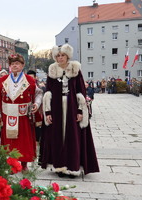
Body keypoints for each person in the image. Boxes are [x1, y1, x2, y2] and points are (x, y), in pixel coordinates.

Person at [39, 44, 99, 178]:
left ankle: (73, 166)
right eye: (58, 56)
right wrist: (48, 112)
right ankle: (59, 167)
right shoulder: (52, 70)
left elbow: (80, 92)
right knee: (58, 138)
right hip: (56, 108)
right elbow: (48, 92)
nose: (60, 58)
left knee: (73, 138)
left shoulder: (75, 69)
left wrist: (80, 111)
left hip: (72, 107)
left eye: (63, 55)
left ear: (67, 56)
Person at [0, 54, 42, 171]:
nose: (14, 66)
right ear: (10, 66)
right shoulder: (2, 80)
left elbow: (39, 93)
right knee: (10, 141)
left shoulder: (30, 80)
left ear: (22, 65)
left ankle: (24, 165)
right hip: (8, 115)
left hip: (23, 116)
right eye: (12, 64)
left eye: (17, 63)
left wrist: (36, 104)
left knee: (24, 141)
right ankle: (11, 164)